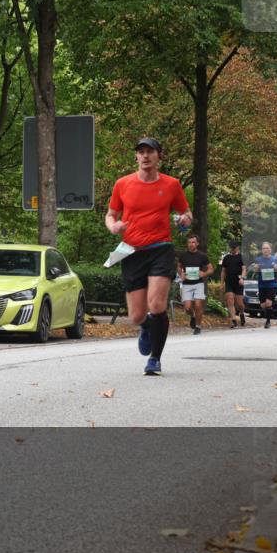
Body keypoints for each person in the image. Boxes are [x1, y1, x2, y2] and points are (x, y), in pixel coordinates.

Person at [105, 137, 191, 376]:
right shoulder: (123, 184)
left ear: (158, 156)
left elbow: (186, 212)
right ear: (136, 157)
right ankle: (145, 327)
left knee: (157, 304)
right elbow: (110, 214)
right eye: (141, 152)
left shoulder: (172, 184)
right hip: (131, 251)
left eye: (150, 152)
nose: (145, 156)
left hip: (161, 249)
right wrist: (113, 227)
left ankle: (155, 358)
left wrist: (185, 220)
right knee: (136, 315)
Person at [177, 234, 213, 335]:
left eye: (193, 242)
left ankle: (198, 326)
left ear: (197, 243)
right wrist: (181, 275)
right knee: (187, 308)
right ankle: (193, 315)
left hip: (198, 283)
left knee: (198, 305)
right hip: (186, 284)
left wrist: (204, 273)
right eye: (189, 242)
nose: (191, 244)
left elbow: (211, 269)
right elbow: (179, 267)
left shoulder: (202, 256)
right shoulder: (183, 256)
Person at [253, 241, 277, 329]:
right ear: (261, 250)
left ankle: (268, 322)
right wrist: (257, 268)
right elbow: (254, 270)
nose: (265, 250)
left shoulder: (275, 259)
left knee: (268, 303)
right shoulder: (258, 259)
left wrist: (276, 268)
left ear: (270, 250)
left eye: (267, 248)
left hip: (272, 284)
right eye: (263, 248)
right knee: (263, 305)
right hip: (262, 284)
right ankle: (270, 313)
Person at [220, 240, 247, 328]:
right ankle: (234, 320)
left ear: (237, 247)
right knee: (230, 300)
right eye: (231, 247)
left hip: (238, 282)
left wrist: (242, 278)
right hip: (229, 282)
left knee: (240, 304)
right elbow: (223, 271)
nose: (233, 249)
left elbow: (244, 269)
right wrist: (221, 283)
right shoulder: (226, 258)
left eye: (234, 247)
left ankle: (242, 313)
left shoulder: (241, 257)